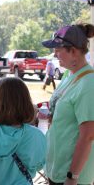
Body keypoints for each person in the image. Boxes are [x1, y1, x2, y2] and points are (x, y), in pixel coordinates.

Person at [42, 24, 94, 185]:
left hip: (71, 175)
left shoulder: (89, 83)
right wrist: (49, 114)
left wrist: (73, 177)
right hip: (57, 168)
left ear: (73, 51)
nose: (55, 54)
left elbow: (88, 135)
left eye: (58, 49)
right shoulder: (68, 74)